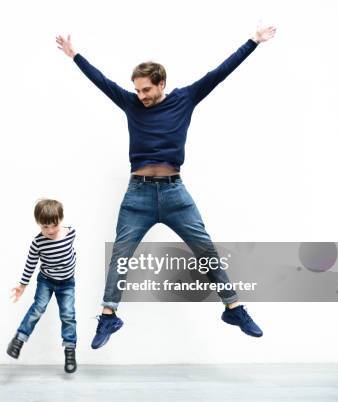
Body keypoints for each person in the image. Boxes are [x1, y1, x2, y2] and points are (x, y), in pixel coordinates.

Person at [56, 24, 277, 349]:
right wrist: (75, 56)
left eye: (146, 89)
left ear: (161, 84)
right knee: (120, 255)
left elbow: (220, 73)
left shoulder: (184, 99)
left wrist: (253, 42)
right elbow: (101, 82)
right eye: (137, 90)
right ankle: (108, 316)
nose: (141, 95)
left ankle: (233, 308)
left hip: (175, 194)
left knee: (206, 250)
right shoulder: (131, 104)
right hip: (138, 196)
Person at [7, 199, 78, 373]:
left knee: (68, 314)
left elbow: (71, 253)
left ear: (60, 220)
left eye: (53, 226)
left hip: (67, 283)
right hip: (46, 280)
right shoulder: (38, 242)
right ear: (38, 224)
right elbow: (30, 264)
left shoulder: (70, 233)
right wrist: (22, 286)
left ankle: (70, 350)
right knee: (38, 308)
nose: (50, 231)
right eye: (44, 227)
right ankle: (18, 339)